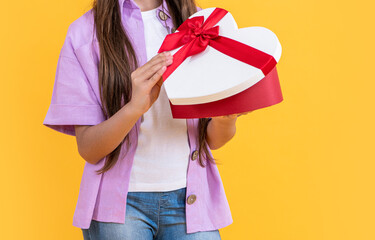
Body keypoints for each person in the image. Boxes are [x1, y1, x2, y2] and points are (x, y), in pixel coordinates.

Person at [43, 0, 252, 239]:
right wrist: (133, 108)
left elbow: (212, 140)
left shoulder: (200, 23)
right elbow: (89, 149)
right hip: (120, 209)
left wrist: (227, 117)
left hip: (191, 201)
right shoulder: (84, 33)